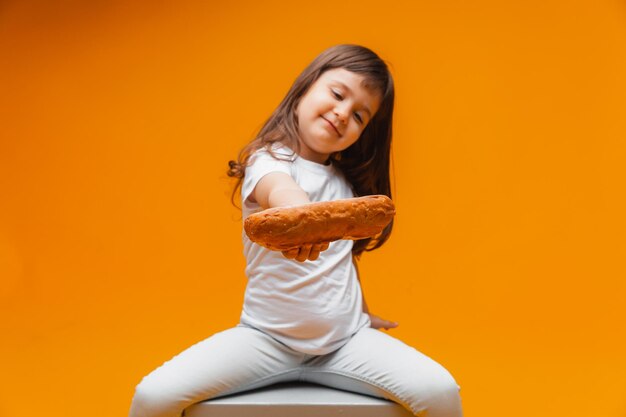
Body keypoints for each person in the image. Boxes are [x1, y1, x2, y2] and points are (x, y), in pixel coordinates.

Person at [128, 44, 463, 417]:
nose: (342, 113)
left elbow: (342, 262)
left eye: (359, 116)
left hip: (344, 343)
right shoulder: (268, 161)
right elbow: (281, 192)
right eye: (337, 94)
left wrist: (363, 313)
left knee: (441, 391)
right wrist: (301, 216)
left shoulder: (345, 185)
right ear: (306, 88)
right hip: (264, 341)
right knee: (152, 397)